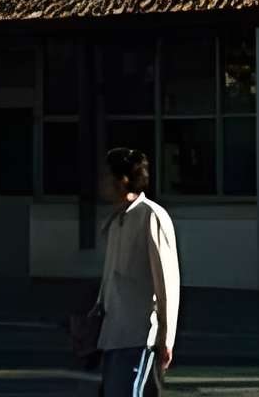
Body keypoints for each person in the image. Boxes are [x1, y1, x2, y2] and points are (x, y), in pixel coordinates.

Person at [95, 145, 180, 394]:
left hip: (138, 334)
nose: (101, 183)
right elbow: (111, 276)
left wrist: (166, 337)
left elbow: (167, 282)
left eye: (106, 177)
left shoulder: (151, 216)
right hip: (112, 332)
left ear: (122, 181)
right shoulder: (115, 220)